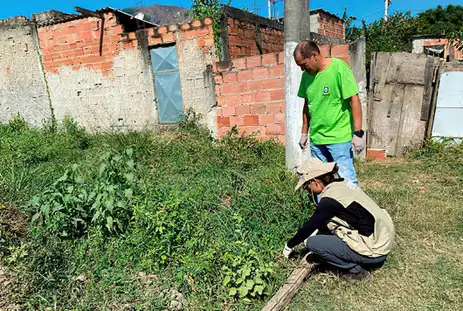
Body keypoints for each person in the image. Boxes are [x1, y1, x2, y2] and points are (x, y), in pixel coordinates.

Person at [282, 158, 395, 284]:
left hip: (375, 250)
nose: (307, 190)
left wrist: (289, 245)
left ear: (315, 181)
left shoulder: (330, 200)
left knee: (313, 243)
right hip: (383, 237)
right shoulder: (343, 183)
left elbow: (309, 226)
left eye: (307, 186)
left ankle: (355, 271)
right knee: (324, 233)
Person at [294, 40, 365, 185]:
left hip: (338, 139)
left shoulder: (339, 68)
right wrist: (304, 132)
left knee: (346, 180)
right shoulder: (306, 76)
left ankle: (352, 208)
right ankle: (325, 208)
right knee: (320, 181)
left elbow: (354, 99)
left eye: (303, 64)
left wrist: (358, 133)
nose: (302, 69)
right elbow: (307, 106)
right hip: (317, 140)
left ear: (314, 55)